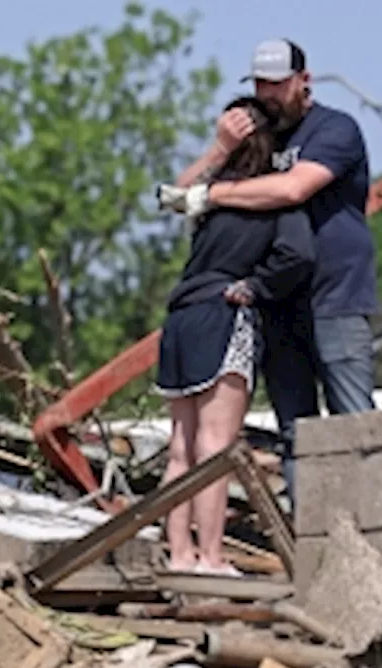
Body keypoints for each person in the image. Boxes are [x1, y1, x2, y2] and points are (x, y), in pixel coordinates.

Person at [160, 38, 378, 507]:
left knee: (354, 426)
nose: (268, 94)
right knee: (296, 433)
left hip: (334, 298)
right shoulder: (259, 139)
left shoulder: (335, 130)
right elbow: (177, 196)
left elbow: (295, 188)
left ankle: (373, 535)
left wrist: (215, 195)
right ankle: (310, 540)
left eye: (278, 85)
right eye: (260, 84)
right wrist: (220, 151)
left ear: (304, 81)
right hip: (276, 304)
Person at [154, 96, 316, 575]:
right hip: (223, 312)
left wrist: (215, 151)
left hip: (180, 316)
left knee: (181, 449)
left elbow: (173, 194)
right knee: (217, 445)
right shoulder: (271, 197)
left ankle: (180, 555)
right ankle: (212, 557)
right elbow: (298, 255)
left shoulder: (212, 192)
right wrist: (258, 287)